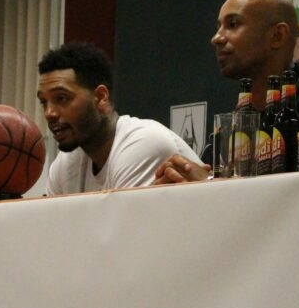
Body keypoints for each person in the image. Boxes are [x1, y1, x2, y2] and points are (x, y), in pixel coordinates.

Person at [156, 0, 299, 184]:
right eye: (219, 26)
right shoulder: (235, 123)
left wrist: (210, 185)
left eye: (233, 24)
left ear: (277, 36)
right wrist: (179, 187)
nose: (217, 38)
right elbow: (208, 193)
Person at [37, 41, 202, 194]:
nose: (49, 113)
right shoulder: (65, 165)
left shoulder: (142, 143)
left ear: (100, 97)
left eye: (61, 98)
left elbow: (122, 218)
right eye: (44, 102)